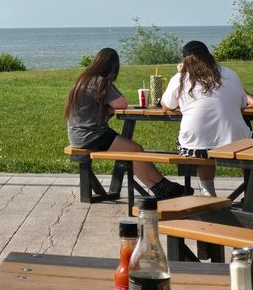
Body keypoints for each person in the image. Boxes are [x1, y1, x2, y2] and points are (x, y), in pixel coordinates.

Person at [66, 47, 190, 199]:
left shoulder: (83, 79)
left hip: (78, 134)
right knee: (135, 150)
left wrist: (108, 108)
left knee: (133, 150)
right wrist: (110, 108)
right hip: (91, 135)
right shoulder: (99, 81)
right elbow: (122, 103)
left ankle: (161, 187)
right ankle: (163, 187)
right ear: (112, 68)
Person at [161, 40, 253, 197]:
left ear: (185, 61)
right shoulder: (229, 73)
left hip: (195, 148)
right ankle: (249, 195)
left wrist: (179, 73)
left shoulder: (180, 78)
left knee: (202, 142)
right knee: (244, 135)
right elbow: (242, 106)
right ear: (209, 56)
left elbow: (166, 105)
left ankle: (209, 193)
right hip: (237, 143)